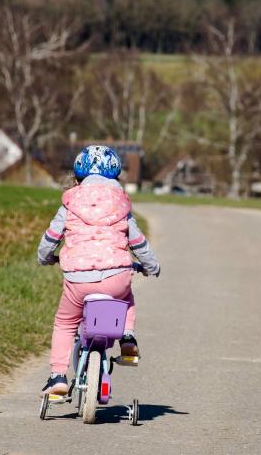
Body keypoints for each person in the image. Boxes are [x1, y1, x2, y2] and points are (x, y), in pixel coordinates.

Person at [37, 145, 160, 396]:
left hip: (78, 280)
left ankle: (58, 376)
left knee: (65, 323)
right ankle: (127, 338)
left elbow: (50, 239)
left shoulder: (69, 205)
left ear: (78, 175)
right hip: (116, 276)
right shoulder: (121, 205)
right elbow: (138, 243)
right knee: (126, 298)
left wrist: (46, 258)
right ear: (116, 176)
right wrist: (150, 266)